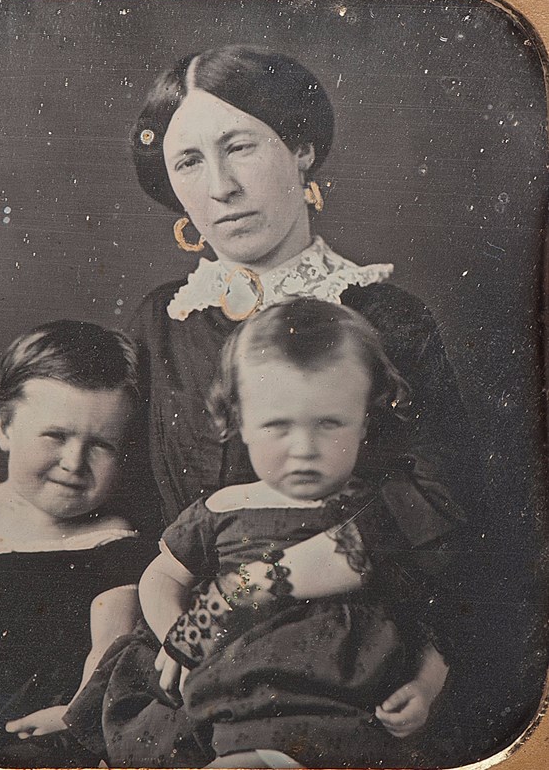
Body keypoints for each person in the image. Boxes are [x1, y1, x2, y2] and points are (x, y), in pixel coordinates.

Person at [66, 45, 485, 766]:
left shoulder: (383, 315)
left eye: (240, 147)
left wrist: (251, 589)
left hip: (347, 662)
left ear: (301, 150)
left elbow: (444, 499)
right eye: (189, 161)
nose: (221, 186)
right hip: (182, 663)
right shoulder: (159, 321)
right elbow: (126, 513)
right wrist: (112, 651)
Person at [141, 298, 452, 768]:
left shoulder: (378, 511)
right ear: (240, 423)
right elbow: (162, 577)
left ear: (364, 421)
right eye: (277, 426)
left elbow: (431, 613)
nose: (304, 449)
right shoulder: (226, 507)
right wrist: (178, 635)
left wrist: (426, 686)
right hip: (241, 689)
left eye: (329, 423)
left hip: (349, 700)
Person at [0, 320, 158, 768]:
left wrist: (75, 715)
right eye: (55, 436)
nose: (73, 462)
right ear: (5, 426)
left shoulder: (113, 548)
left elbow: (108, 656)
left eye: (101, 445)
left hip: (24, 749)